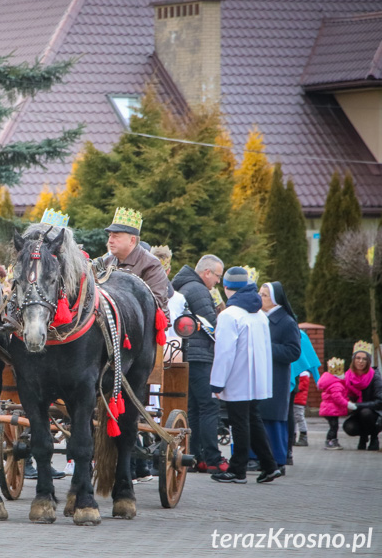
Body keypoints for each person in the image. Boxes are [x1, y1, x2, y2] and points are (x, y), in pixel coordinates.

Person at [209, 267, 281, 485]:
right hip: (256, 378)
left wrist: (217, 383)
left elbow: (224, 353)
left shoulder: (229, 315)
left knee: (239, 422)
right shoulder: (259, 314)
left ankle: (238, 469)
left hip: (237, 377)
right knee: (252, 420)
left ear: (227, 287)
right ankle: (269, 466)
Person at [171, 254, 226, 474]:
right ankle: (212, 458)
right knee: (209, 406)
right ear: (207, 272)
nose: (218, 282)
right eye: (217, 276)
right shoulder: (199, 290)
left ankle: (194, 456)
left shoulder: (186, 286)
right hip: (200, 355)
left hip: (187, 354)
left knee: (194, 407)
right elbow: (212, 326)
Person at [254, 282, 301, 472]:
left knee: (272, 419)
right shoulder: (259, 317)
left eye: (264, 295)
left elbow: (293, 352)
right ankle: (257, 457)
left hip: (277, 378)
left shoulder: (287, 322)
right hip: (261, 375)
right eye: (259, 293)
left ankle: (278, 459)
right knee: (258, 416)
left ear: (274, 300)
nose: (260, 297)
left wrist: (266, 348)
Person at [99, 207, 170, 319]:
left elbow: (155, 304)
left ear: (132, 240)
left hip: (143, 330)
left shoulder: (151, 265)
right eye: (110, 236)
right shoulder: (106, 262)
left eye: (116, 236)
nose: (110, 241)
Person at [344, 341, 382, 450]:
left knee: (365, 413)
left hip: (375, 414)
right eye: (358, 358)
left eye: (364, 359)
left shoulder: (375, 376)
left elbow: (380, 401)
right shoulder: (348, 376)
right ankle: (363, 436)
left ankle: (374, 438)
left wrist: (358, 405)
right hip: (356, 413)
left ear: (368, 361)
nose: (361, 361)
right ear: (353, 359)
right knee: (349, 427)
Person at [318, 357, 348, 450]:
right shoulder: (336, 384)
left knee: (333, 426)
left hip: (328, 409)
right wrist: (346, 403)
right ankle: (330, 441)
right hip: (332, 409)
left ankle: (333, 440)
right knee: (334, 426)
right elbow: (337, 397)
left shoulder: (331, 382)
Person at [292, 372, 310, 447]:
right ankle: (293, 436)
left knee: (299, 418)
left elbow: (298, 387)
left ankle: (303, 436)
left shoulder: (303, 376)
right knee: (294, 419)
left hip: (299, 401)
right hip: (295, 400)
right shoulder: (300, 376)